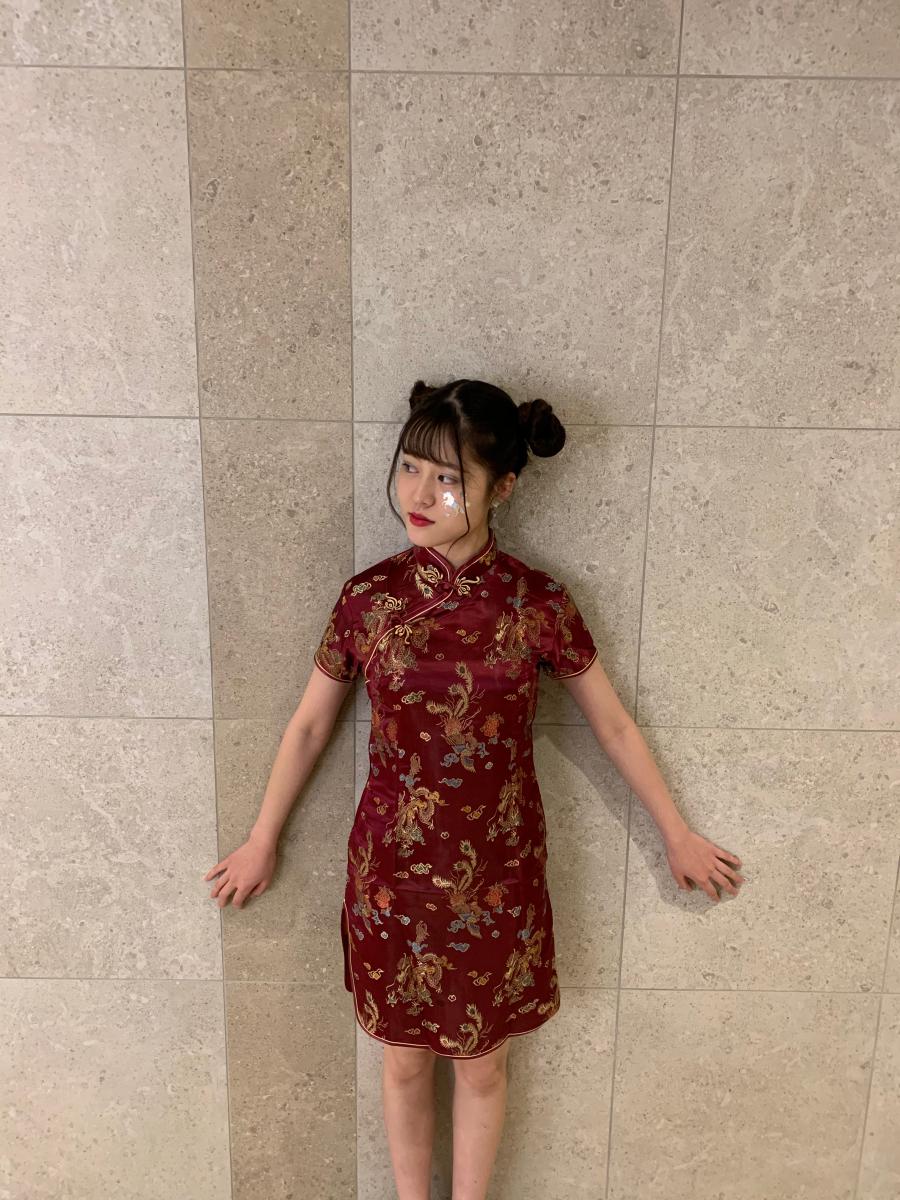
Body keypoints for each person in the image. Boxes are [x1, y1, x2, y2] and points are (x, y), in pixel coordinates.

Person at [203, 378, 745, 1200]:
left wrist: (677, 832)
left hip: (497, 876)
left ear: (504, 489)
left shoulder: (538, 603)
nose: (418, 495)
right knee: (403, 1062)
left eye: (448, 479)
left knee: (483, 1067)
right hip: (391, 876)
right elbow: (310, 726)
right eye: (410, 468)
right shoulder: (368, 599)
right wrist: (261, 837)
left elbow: (613, 725)